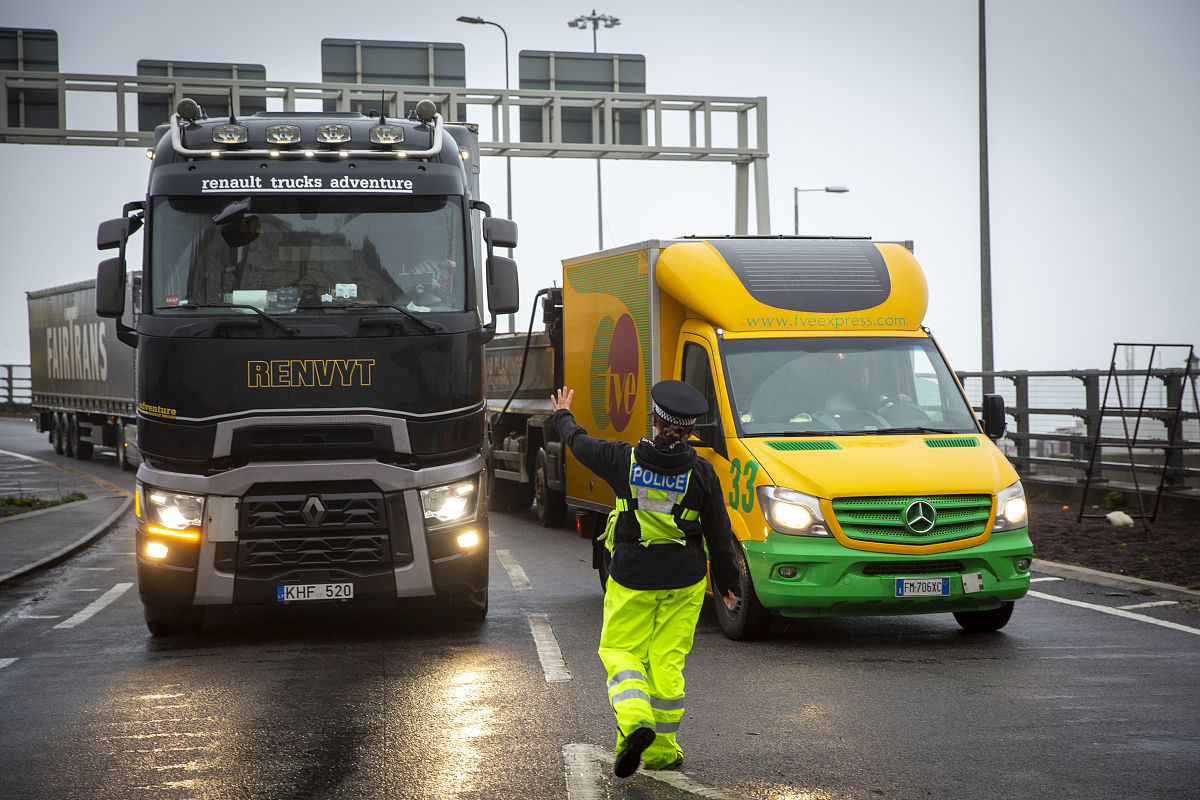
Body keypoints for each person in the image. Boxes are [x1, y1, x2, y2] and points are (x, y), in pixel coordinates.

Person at [550, 379, 742, 778]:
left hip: (634, 577)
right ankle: (659, 753)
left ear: (654, 419)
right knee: (666, 661)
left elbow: (579, 443)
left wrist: (562, 415)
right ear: (690, 429)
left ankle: (636, 720)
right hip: (685, 581)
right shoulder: (703, 474)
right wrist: (728, 586)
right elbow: (720, 537)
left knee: (621, 652)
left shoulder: (624, 461)